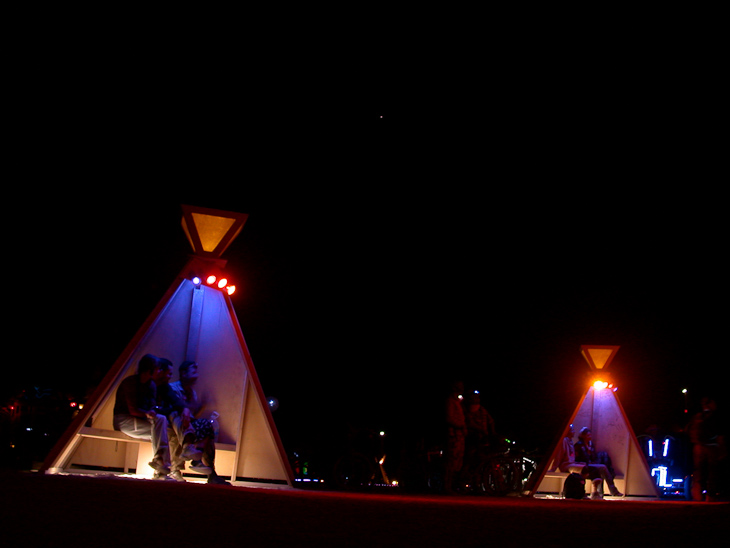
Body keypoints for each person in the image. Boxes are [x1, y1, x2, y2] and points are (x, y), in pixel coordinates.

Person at [168, 360, 229, 485]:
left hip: (189, 425)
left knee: (207, 426)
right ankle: (187, 450)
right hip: (176, 424)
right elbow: (175, 410)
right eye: (193, 370)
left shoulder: (193, 393)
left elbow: (193, 415)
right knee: (178, 417)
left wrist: (202, 406)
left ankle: (209, 471)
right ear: (184, 373)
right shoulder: (173, 389)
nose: (197, 373)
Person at [112, 354, 172, 480]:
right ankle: (162, 467)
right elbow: (132, 409)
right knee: (159, 431)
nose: (159, 372)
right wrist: (146, 413)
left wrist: (152, 412)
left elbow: (151, 405)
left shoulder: (151, 385)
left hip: (141, 420)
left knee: (161, 420)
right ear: (149, 369)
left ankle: (160, 463)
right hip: (124, 419)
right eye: (157, 369)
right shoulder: (130, 383)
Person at [553, 424, 622, 499]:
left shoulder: (587, 444)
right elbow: (562, 455)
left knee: (602, 468)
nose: (574, 432)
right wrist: (554, 467)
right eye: (572, 430)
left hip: (580, 463)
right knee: (591, 469)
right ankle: (590, 492)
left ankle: (600, 493)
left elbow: (588, 457)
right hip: (570, 465)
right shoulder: (575, 444)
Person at [688, 397, 725, 502]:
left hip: (699, 446)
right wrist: (722, 448)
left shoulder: (699, 417)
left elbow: (691, 430)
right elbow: (719, 433)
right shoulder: (715, 417)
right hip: (711, 447)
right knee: (712, 472)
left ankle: (697, 495)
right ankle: (710, 496)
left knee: (699, 473)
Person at [574, 427, 623, 497]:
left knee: (602, 469)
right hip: (583, 465)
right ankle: (613, 491)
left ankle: (601, 493)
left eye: (590, 435)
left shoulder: (591, 445)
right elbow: (579, 458)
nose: (590, 437)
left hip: (591, 464)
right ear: (583, 436)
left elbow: (593, 456)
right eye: (588, 435)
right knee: (603, 467)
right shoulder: (579, 445)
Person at [443, 380, 466, 494]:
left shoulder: (457, 402)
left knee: (457, 462)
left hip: (459, 436)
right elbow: (449, 418)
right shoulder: (450, 402)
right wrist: (460, 425)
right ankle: (447, 486)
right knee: (451, 461)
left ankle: (452, 485)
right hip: (453, 435)